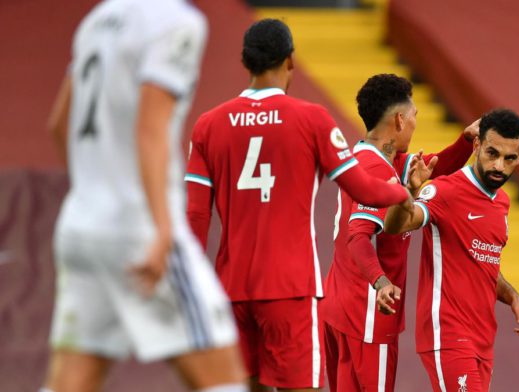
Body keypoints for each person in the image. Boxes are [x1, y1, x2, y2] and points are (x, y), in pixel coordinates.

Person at [184, 20, 409, 392]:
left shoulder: (207, 126)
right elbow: (365, 190)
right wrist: (402, 193)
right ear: (290, 60)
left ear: (246, 62)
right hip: (289, 287)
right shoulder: (311, 119)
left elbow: (195, 216)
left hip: (231, 288)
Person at [44, 1, 248, 391]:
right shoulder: (177, 22)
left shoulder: (97, 20)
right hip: (140, 228)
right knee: (223, 379)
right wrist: (162, 228)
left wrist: (94, 195)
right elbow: (150, 128)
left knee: (73, 380)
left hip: (81, 226)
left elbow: (59, 123)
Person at [321, 73, 479, 391]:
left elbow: (435, 167)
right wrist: (380, 283)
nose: (415, 123)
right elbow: (359, 235)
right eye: (413, 117)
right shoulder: (380, 171)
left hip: (339, 306)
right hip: (369, 314)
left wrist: (466, 141)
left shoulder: (367, 156)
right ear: (398, 119)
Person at [384, 108, 519, 392]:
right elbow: (397, 226)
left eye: (510, 158)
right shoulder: (446, 191)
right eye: (492, 154)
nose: (499, 166)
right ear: (477, 145)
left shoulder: (501, 202)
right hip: (449, 334)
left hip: (483, 338)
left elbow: (483, 264)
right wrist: (409, 192)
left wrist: (513, 297)